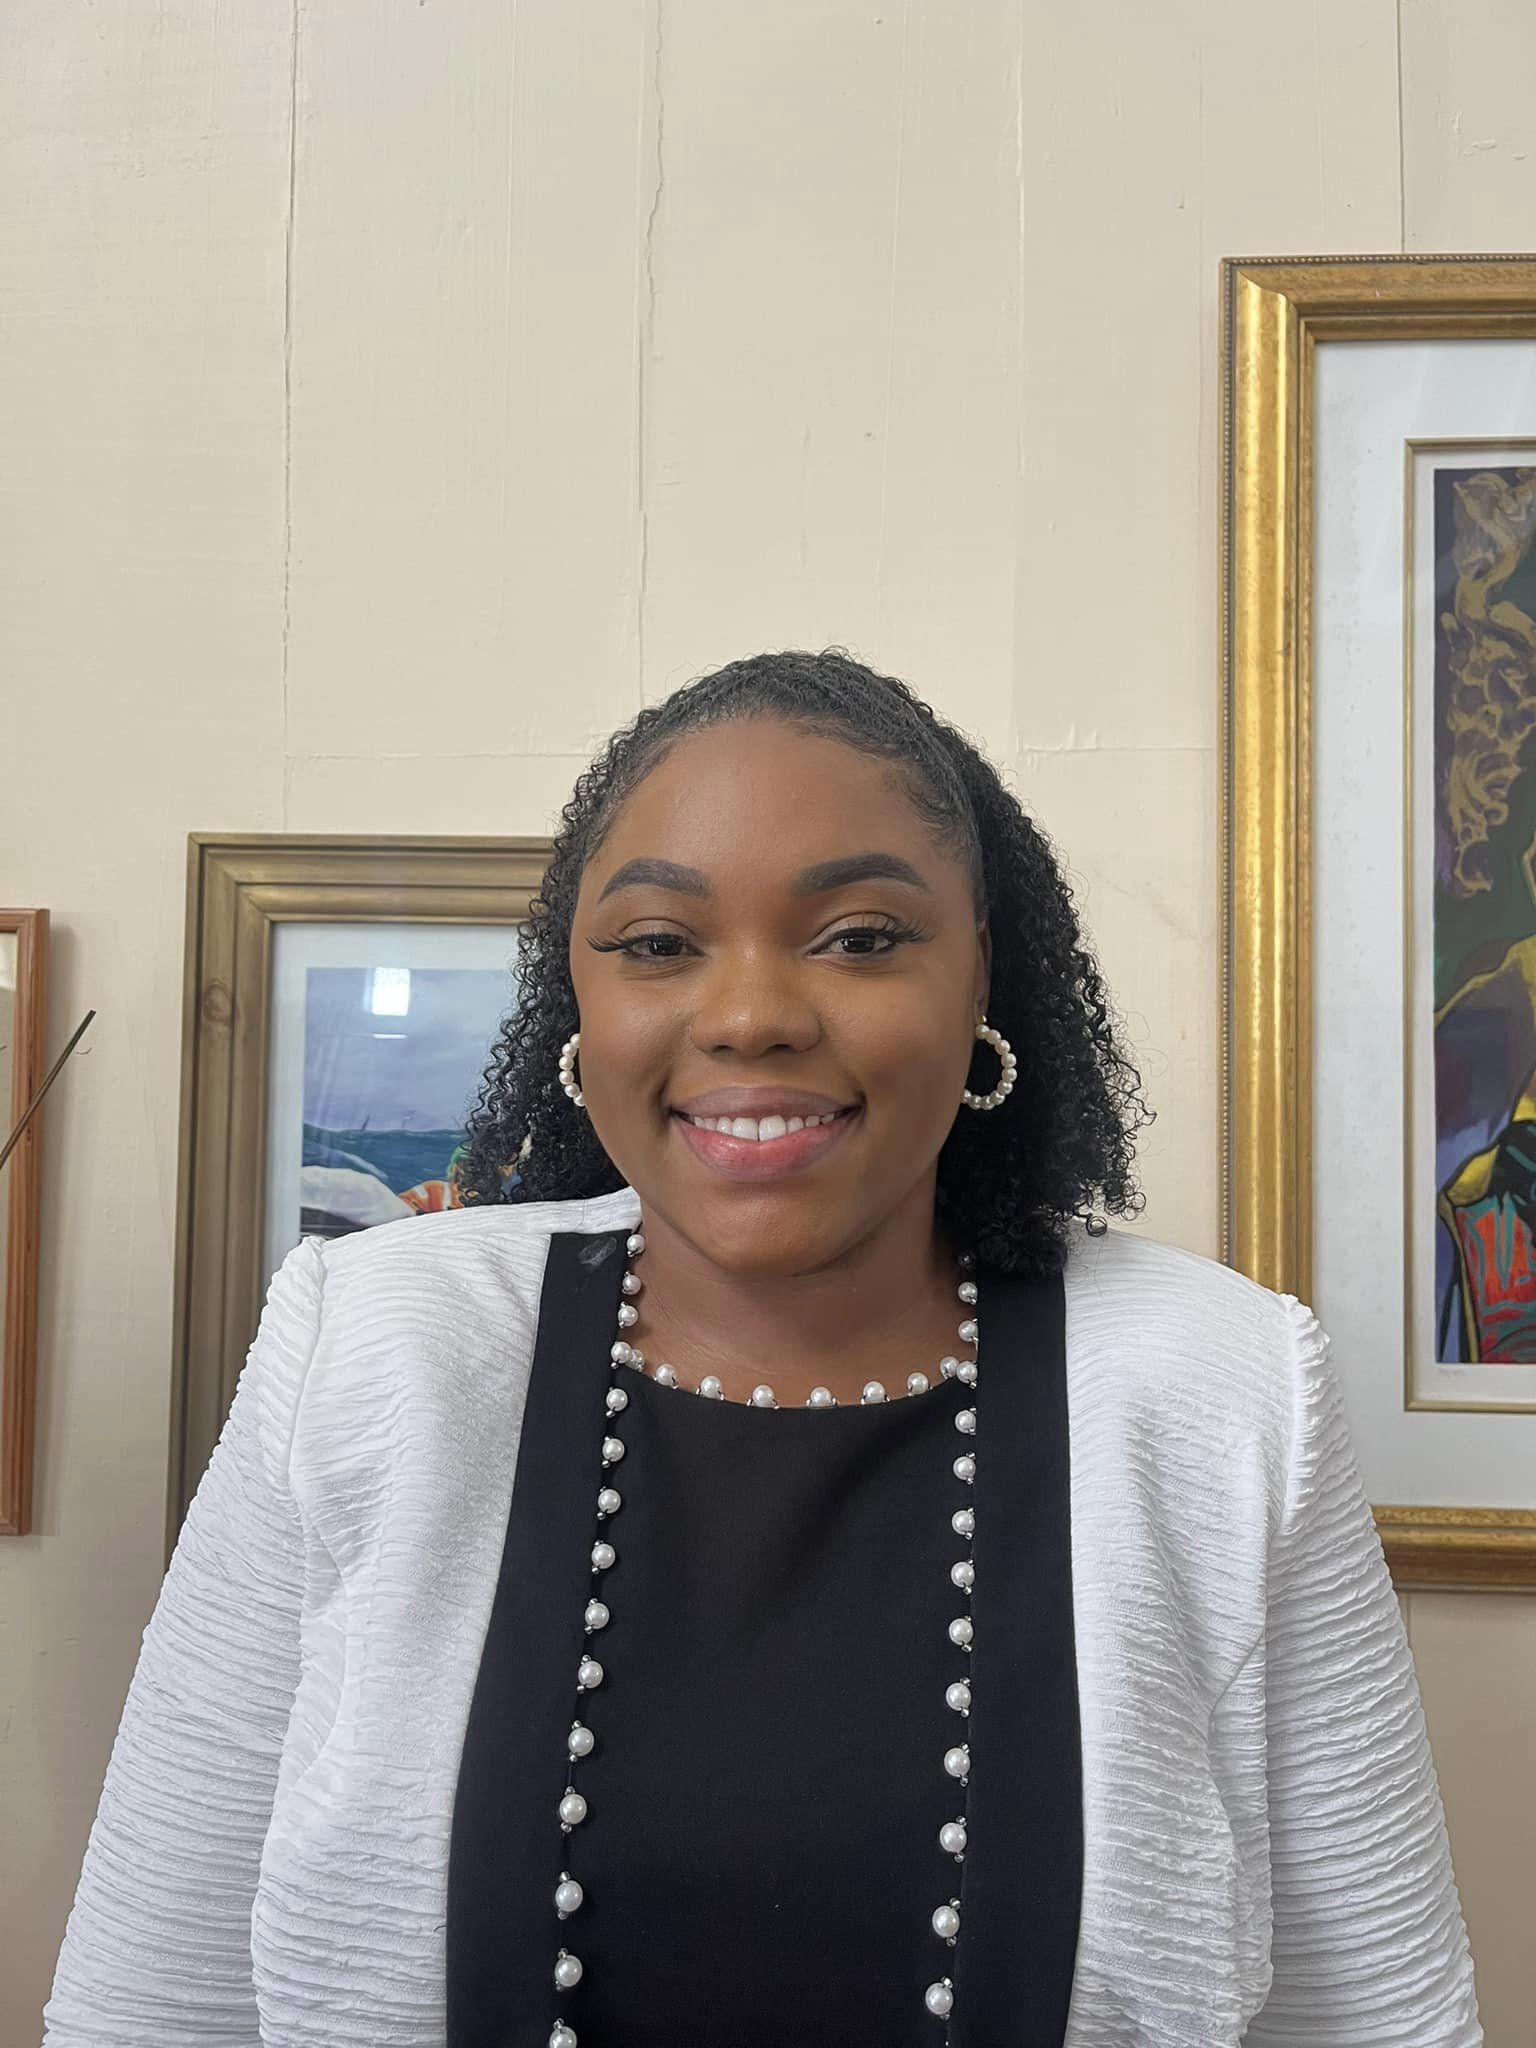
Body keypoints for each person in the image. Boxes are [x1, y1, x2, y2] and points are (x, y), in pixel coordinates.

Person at [42, 649, 1482, 2046]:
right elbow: (145, 2007)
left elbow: (1385, 2023)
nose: (748, 1017)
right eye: (658, 945)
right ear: (578, 997)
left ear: (982, 982)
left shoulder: (1230, 1391)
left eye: (860, 937)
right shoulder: (366, 1347)